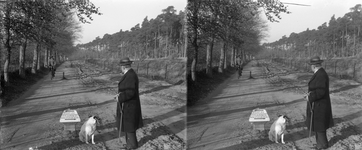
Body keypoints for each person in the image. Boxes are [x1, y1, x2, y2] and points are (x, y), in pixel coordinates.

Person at [304, 56, 334, 150]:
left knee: (320, 126)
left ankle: (323, 145)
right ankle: (319, 144)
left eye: (311, 65)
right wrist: (310, 94)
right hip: (317, 104)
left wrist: (310, 97)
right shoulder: (319, 73)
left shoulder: (321, 75)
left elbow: (321, 91)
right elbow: (317, 89)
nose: (310, 67)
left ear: (314, 66)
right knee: (317, 125)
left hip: (320, 105)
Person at [114, 57, 143, 150]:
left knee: (130, 126)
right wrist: (119, 95)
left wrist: (120, 97)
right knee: (127, 125)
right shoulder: (129, 74)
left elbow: (130, 92)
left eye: (121, 66)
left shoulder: (130, 75)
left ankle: (132, 146)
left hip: (129, 105)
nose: (120, 68)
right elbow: (126, 90)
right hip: (127, 105)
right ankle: (129, 144)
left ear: (123, 67)